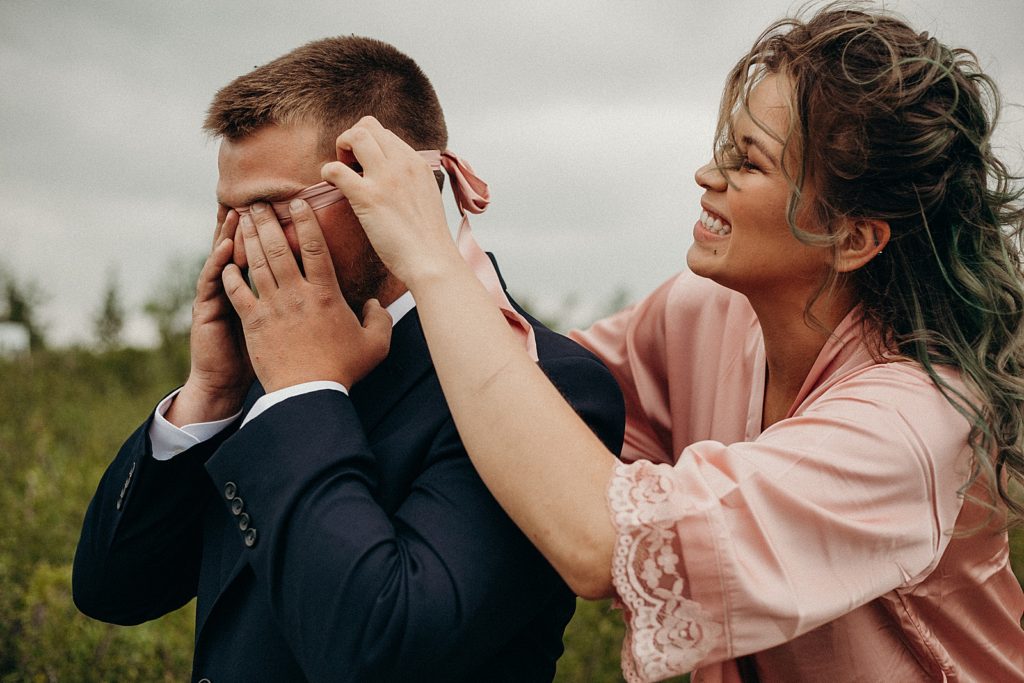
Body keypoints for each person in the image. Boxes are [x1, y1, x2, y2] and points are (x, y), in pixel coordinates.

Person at [298, 6, 1024, 682]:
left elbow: (599, 538)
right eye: (722, 147)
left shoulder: (911, 427)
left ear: (854, 237)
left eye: (748, 162)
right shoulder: (704, 311)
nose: (706, 176)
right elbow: (532, 398)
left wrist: (429, 255)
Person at [71, 36, 625, 683]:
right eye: (228, 211)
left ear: (391, 188)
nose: (242, 244)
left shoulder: (547, 386)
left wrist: (305, 393)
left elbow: (385, 647)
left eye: (274, 210)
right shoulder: (267, 373)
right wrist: (210, 393)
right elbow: (113, 589)